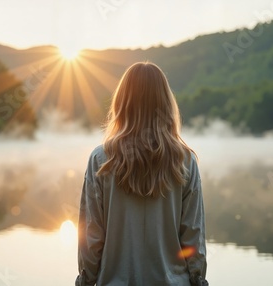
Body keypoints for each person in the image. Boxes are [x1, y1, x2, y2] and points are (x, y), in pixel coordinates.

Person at [76, 62, 208, 286]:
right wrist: (198, 280)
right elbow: (193, 236)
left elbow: (91, 237)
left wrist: (86, 281)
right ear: (166, 104)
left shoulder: (101, 160)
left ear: (122, 103)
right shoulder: (185, 161)